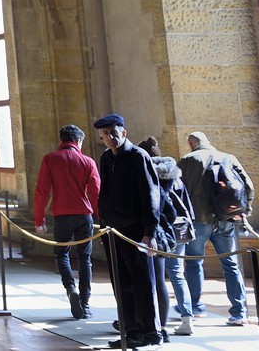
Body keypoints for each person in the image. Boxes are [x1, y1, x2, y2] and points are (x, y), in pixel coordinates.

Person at [94, 114, 162, 348]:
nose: (110, 138)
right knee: (121, 282)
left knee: (142, 282)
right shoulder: (106, 158)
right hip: (113, 230)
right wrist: (104, 224)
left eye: (113, 133)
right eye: (105, 135)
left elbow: (150, 194)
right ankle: (130, 331)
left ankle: (150, 332)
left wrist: (149, 232)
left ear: (123, 133)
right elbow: (105, 192)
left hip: (135, 230)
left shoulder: (138, 156)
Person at [178, 131, 253, 327]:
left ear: (191, 144)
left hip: (198, 220)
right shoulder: (228, 158)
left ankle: (195, 307)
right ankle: (239, 312)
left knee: (194, 262)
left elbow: (177, 189)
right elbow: (248, 186)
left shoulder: (188, 160)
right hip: (225, 220)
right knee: (231, 264)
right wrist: (244, 211)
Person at [33, 124, 101, 319]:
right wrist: (101, 218)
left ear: (62, 140)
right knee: (85, 258)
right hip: (84, 215)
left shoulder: (50, 159)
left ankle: (71, 289)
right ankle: (85, 303)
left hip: (62, 215)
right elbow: (96, 193)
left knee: (62, 255)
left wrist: (39, 219)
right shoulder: (88, 161)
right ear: (78, 141)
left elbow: (42, 192)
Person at [139, 135, 195, 335]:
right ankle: (186, 317)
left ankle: (153, 322)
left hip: (160, 233)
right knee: (177, 274)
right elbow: (186, 204)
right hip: (179, 230)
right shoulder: (175, 177)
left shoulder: (148, 177)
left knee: (156, 279)